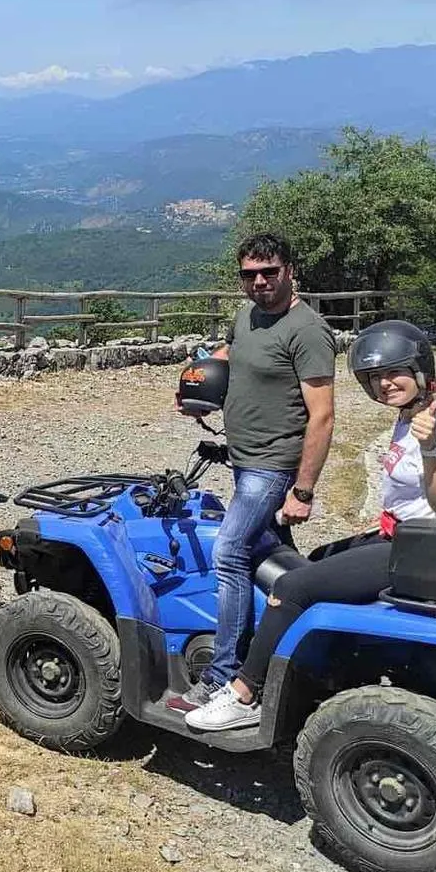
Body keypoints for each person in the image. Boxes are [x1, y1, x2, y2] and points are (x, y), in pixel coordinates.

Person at [186, 319, 436, 731]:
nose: (385, 384)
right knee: (319, 559)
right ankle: (328, 666)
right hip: (403, 537)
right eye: (375, 378)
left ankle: (244, 692)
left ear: (420, 371)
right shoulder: (408, 416)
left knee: (290, 588)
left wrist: (429, 448)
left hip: (422, 549)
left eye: (394, 373)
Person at [166, 232, 336, 713]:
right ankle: (305, 647)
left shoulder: (306, 330)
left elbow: (322, 415)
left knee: (230, 552)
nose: (259, 281)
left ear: (290, 271)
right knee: (275, 560)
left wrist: (303, 489)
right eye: (249, 274)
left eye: (269, 271)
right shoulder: (248, 315)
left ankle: (226, 678)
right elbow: (229, 354)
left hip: (274, 465)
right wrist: (193, 382)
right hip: (245, 460)